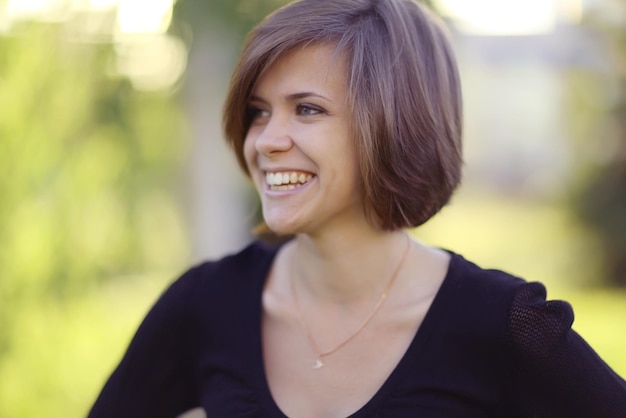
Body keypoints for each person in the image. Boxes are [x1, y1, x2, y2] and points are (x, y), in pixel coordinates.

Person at [89, 0, 626, 417]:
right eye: (258, 112)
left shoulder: (503, 324)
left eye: (306, 109)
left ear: (394, 124)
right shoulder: (204, 305)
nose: (267, 140)